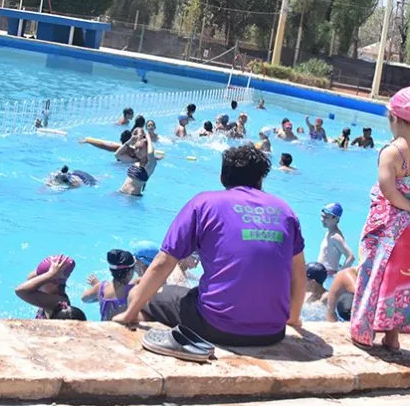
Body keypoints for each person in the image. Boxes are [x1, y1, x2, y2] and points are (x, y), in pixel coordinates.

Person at [113, 144, 306, 346]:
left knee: (140, 295)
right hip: (273, 332)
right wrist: (292, 319)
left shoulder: (205, 204)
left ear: (223, 176)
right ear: (260, 179)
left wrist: (129, 313)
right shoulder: (285, 210)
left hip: (216, 326)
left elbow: (163, 262)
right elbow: (299, 274)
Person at [351, 87, 410, 352]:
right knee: (405, 280)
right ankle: (392, 336)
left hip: (388, 225)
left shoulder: (390, 152)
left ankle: (364, 330)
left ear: (394, 118)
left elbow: (388, 190)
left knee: (375, 273)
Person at [15, 255, 86, 320]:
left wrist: (50, 274)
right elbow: (29, 279)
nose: (39, 284)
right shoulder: (54, 292)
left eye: (43, 281)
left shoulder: (57, 302)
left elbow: (20, 291)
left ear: (53, 285)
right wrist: (50, 273)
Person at [82, 249, 137, 321]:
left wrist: (98, 292)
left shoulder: (101, 287)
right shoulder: (133, 288)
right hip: (125, 331)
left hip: (106, 330)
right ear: (130, 272)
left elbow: (84, 299)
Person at [317, 203, 355, 276]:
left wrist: (339, 275)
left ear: (336, 219)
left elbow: (351, 257)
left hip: (328, 277)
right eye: (322, 216)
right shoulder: (329, 233)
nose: (322, 220)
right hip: (323, 274)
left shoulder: (336, 236)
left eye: (326, 217)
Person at [120, 128, 158, 196]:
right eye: (136, 148)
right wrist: (130, 140)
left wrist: (148, 137)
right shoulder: (135, 161)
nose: (137, 151)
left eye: (140, 148)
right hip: (120, 192)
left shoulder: (150, 165)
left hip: (132, 198)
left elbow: (150, 153)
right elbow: (117, 155)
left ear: (147, 149)